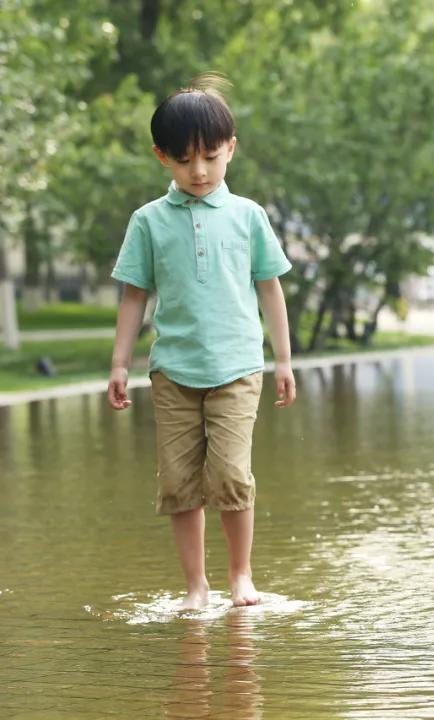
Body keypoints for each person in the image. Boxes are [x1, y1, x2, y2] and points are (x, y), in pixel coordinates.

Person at [107, 75, 295, 609]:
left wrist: (283, 360)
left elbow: (270, 289)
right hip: (173, 372)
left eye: (211, 157)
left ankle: (241, 575)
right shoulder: (148, 222)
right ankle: (196, 584)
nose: (200, 171)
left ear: (230, 149)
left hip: (238, 366)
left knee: (233, 474)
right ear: (161, 156)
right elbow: (133, 299)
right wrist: (119, 365)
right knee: (179, 482)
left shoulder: (248, 216)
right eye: (185, 159)